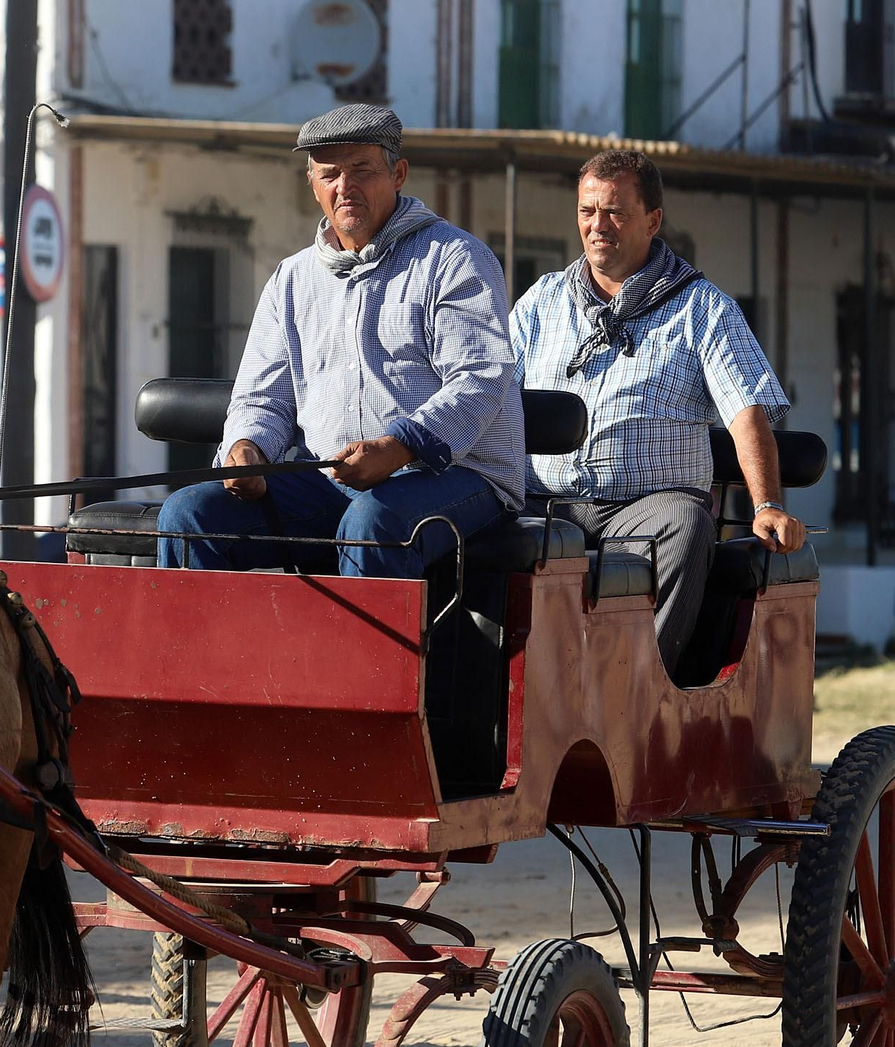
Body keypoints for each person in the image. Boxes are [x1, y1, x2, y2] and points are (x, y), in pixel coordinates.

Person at [156, 104, 524, 578]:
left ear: (399, 174)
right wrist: (248, 449)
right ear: (312, 185)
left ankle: (361, 657)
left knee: (372, 522)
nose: (344, 187)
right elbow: (263, 396)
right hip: (328, 482)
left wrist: (398, 446)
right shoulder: (291, 279)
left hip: (454, 475)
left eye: (361, 170)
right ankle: (203, 655)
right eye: (329, 174)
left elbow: (481, 380)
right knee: (189, 516)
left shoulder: (454, 259)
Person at [510, 149, 806, 672]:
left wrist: (766, 505)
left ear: (652, 221)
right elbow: (491, 400)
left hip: (645, 509)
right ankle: (491, 690)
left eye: (615, 212)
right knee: (473, 521)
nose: (597, 225)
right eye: (587, 211)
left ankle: (637, 686)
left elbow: (746, 415)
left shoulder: (703, 308)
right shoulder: (542, 301)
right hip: (546, 503)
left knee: (686, 523)